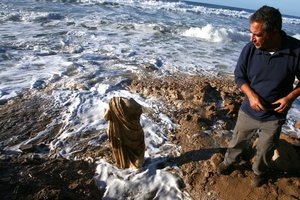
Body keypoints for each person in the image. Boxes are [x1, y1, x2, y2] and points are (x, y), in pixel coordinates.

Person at [217, 5, 300, 187]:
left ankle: (259, 172)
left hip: (274, 116)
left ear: (274, 32)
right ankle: (229, 162)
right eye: (251, 33)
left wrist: (290, 98)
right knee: (237, 141)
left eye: (257, 34)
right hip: (248, 110)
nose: (251, 38)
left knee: (265, 150)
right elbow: (239, 76)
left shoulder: (296, 50)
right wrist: (252, 96)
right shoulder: (250, 49)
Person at [104, 97, 145, 169]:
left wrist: (105, 111)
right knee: (136, 148)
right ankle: (138, 164)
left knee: (124, 148)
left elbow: (106, 117)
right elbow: (139, 111)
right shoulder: (134, 104)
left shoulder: (113, 103)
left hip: (120, 133)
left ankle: (127, 164)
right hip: (136, 131)